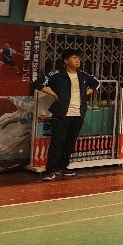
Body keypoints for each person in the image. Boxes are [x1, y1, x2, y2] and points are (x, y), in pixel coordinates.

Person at [35, 48, 100, 181]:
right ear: (66, 61)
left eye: (78, 58)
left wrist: (87, 92)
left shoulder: (83, 75)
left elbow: (96, 83)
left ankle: (62, 166)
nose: (78, 60)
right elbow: (37, 83)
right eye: (74, 58)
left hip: (78, 114)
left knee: (70, 142)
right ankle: (50, 170)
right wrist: (52, 93)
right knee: (57, 143)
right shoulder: (57, 75)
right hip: (61, 114)